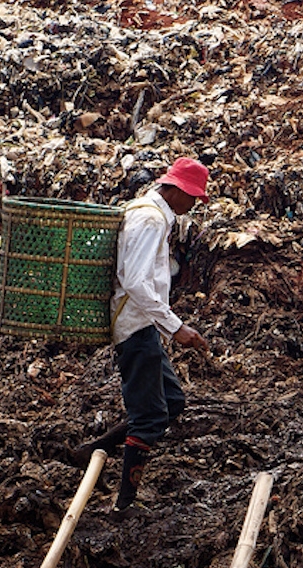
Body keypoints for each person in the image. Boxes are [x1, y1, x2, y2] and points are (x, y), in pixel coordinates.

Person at [70, 157, 211, 511]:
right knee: (149, 418)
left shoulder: (149, 211)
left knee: (172, 402)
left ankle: (92, 449)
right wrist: (176, 328)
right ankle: (124, 506)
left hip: (143, 324)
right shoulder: (150, 219)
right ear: (176, 190)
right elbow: (135, 282)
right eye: (192, 197)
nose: (193, 204)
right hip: (136, 327)